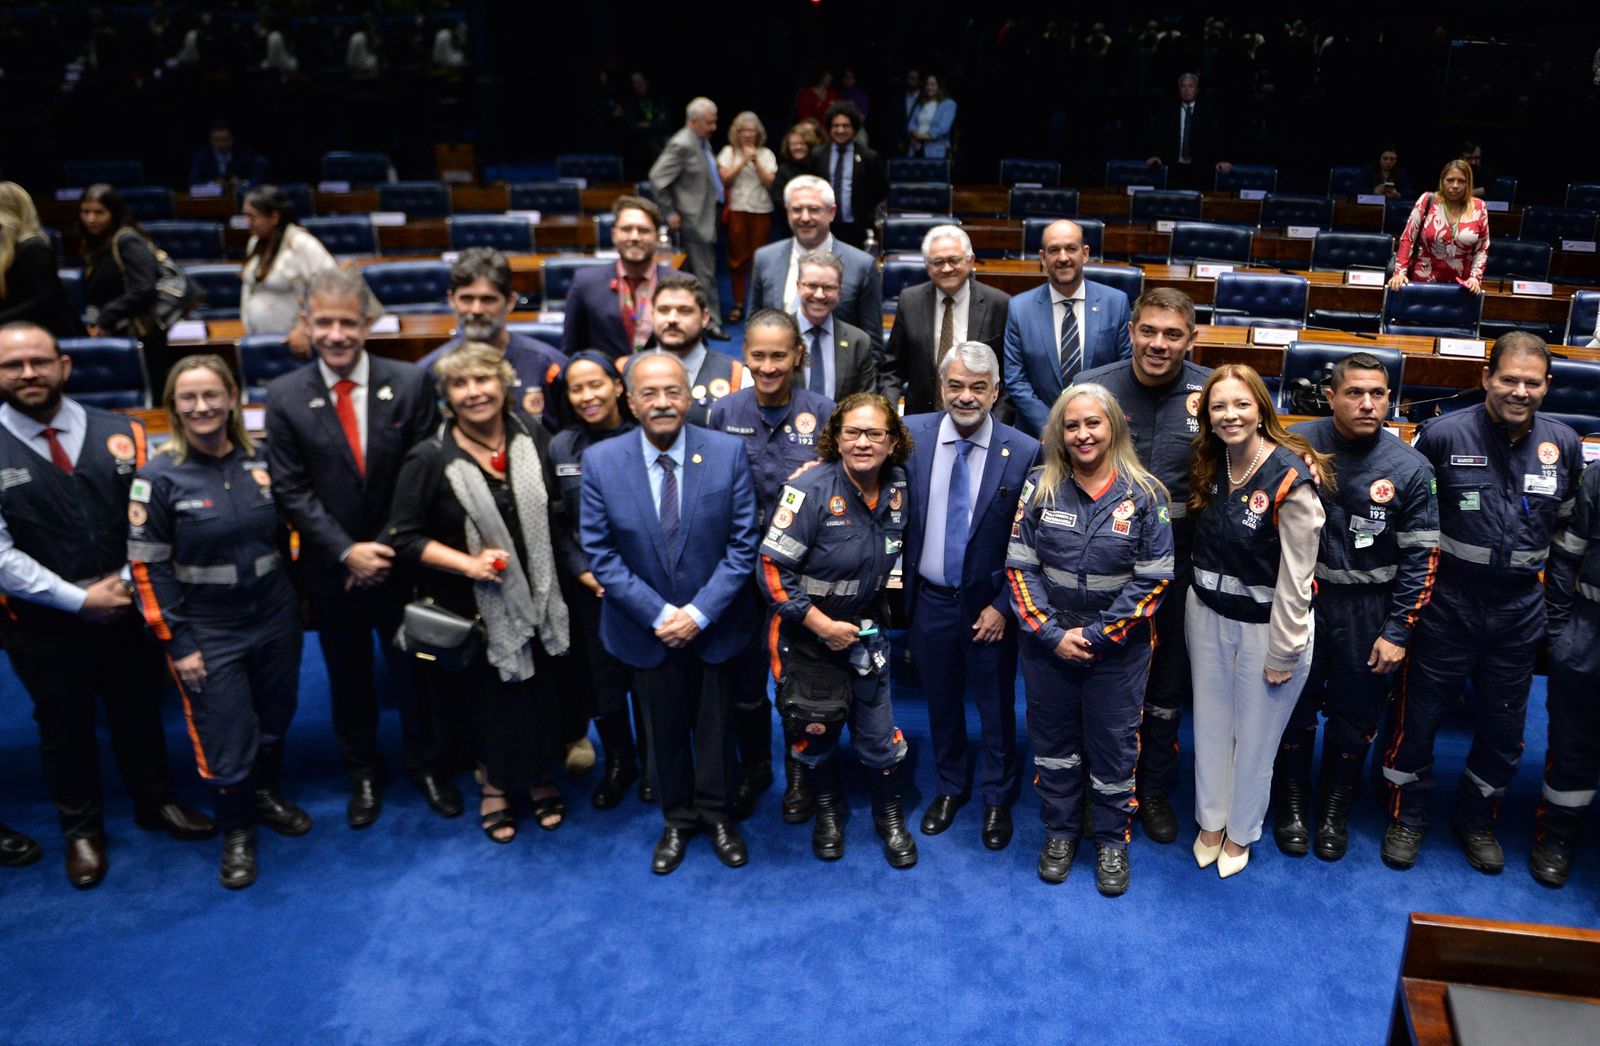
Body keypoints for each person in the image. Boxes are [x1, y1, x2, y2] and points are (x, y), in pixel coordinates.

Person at [0, 322, 213, 888]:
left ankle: (155, 802)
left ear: (64, 366)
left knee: (138, 708)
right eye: (12, 365)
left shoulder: (125, 432)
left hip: (127, 604)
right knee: (63, 726)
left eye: (39, 362)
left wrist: (119, 584)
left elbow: (149, 521)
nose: (27, 374)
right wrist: (77, 600)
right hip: (43, 621)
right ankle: (82, 830)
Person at [1381, 333, 1582, 874]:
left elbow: (1566, 541)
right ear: (1486, 377)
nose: (1519, 391)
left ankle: (1475, 818)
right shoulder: (1442, 435)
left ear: (1548, 385)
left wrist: (1556, 617)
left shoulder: (1563, 444)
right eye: (1509, 379)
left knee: (1503, 728)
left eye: (1532, 382)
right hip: (1448, 604)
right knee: (1417, 717)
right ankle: (1409, 814)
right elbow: (1411, 525)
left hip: (1520, 613)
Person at [265, 268, 457, 828]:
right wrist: (348, 552)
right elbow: (290, 490)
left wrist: (383, 548)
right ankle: (364, 774)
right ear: (306, 323)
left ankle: (427, 766)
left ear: (368, 323)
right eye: (323, 323)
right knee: (347, 680)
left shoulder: (411, 382)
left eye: (347, 322)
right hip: (333, 571)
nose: (336, 334)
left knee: (416, 673)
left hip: (403, 564)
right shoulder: (284, 396)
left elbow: (424, 474)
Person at [129, 355, 309, 889]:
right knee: (225, 730)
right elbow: (147, 566)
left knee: (276, 712)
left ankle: (264, 793)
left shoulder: (262, 460)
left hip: (274, 612)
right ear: (173, 407)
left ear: (232, 398)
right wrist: (178, 641)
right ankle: (236, 829)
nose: (202, 407)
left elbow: (284, 536)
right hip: (207, 625)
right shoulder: (157, 476)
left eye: (212, 395)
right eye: (189, 398)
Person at [579, 351, 760, 874]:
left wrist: (698, 613)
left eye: (672, 392)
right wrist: (659, 615)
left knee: (716, 727)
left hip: (716, 626)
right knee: (661, 730)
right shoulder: (602, 461)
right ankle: (678, 821)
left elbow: (742, 545)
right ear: (630, 401)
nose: (663, 403)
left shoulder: (726, 452)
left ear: (688, 395)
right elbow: (601, 554)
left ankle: (718, 814)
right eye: (650, 394)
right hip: (643, 629)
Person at [385, 344, 574, 844]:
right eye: (460, 385)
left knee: (539, 697)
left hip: (540, 601)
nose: (474, 393)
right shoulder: (429, 457)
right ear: (446, 395)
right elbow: (402, 537)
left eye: (483, 381)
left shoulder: (534, 436)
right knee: (489, 705)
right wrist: (468, 564)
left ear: (504, 384)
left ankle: (538, 778)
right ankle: (494, 788)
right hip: (474, 608)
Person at [1270, 354, 1438, 861]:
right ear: (1331, 396)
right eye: (1354, 393)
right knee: (1292, 708)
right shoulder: (1293, 444)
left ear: (1390, 399)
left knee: (1354, 717)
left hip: (1370, 609)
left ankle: (1334, 808)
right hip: (1303, 601)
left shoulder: (1410, 466)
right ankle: (1294, 804)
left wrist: (1399, 631)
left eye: (1378, 394)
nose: (1368, 403)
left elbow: (1422, 557)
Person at [1007, 382, 1173, 893]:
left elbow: (1154, 578)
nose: (1083, 434)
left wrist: (1099, 636)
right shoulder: (1038, 486)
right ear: (1059, 432)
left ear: (1114, 427)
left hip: (1118, 653)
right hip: (1048, 647)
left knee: (1113, 748)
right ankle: (1059, 832)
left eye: (1092, 423)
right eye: (1072, 425)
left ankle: (1110, 840)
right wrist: (1052, 634)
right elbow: (1019, 568)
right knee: (1053, 745)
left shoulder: (1147, 494)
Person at [758, 392, 918, 867]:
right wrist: (820, 624)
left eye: (875, 433)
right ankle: (828, 812)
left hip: (867, 635)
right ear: (836, 437)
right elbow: (770, 570)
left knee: (877, 735)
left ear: (892, 441)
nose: (864, 442)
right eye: (853, 432)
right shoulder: (807, 490)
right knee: (817, 733)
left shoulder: (898, 487)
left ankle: (890, 817)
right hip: (809, 637)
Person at [1077, 287, 1210, 844]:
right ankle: (1092, 786)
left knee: (1165, 688)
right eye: (1148, 331)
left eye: (1172, 334)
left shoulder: (1210, 394)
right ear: (1130, 330)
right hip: (1103, 564)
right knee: (1098, 677)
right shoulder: (1094, 389)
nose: (1158, 344)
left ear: (1191, 339)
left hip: (1180, 565)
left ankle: (1151, 789)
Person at [1187, 364, 1329, 879]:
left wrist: (1284, 650)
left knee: (1255, 740)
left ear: (1261, 409)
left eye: (1241, 404)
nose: (1230, 415)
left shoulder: (1291, 475)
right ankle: (1209, 820)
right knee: (1211, 725)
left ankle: (1241, 831)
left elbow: (1298, 578)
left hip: (1271, 629)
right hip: (1205, 614)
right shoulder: (1210, 459)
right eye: (1219, 406)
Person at [903, 342, 1038, 850]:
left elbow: (1031, 539)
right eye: (956, 385)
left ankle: (997, 799)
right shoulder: (910, 437)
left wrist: (1004, 605)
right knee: (940, 702)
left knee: (997, 706)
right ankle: (951, 787)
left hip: (991, 608)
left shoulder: (1022, 450)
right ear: (942, 387)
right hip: (931, 600)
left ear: (996, 391)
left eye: (978, 387)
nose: (966, 396)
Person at [708, 310, 834, 821]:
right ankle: (756, 767)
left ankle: (802, 776)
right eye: (757, 355)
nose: (767, 366)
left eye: (778, 355)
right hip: (739, 573)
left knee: (801, 682)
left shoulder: (824, 413)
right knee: (745, 683)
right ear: (744, 356)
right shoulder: (722, 412)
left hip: (800, 575)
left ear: (797, 356)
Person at [548, 352, 650, 810]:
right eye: (576, 389)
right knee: (604, 683)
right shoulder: (560, 447)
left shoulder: (646, 435)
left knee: (647, 678)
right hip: (590, 589)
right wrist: (584, 572)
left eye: (596, 385)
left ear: (617, 386)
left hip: (646, 584)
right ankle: (619, 763)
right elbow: (556, 522)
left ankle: (654, 762)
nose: (587, 396)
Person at [1003, 219, 1134, 438]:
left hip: (1100, 434)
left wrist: (1093, 424)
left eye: (1071, 249)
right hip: (1040, 436)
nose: (1063, 258)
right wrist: (1052, 428)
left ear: (1085, 253)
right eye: (1054, 250)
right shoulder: (1019, 308)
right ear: (1043, 258)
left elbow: (1124, 372)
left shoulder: (1116, 303)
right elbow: (1016, 379)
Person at [1536, 454, 1600, 887]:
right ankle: (1557, 835)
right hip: (1590, 628)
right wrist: (1559, 632)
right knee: (1575, 740)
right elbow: (1565, 556)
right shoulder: (1598, 478)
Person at [417, 248, 568, 432]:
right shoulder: (429, 372)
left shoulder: (547, 365)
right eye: (466, 299)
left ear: (511, 301)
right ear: (451, 300)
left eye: (488, 300)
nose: (476, 310)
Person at [881, 225, 1010, 416]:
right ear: (927, 266)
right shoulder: (910, 300)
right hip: (921, 421)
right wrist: (888, 415)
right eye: (937, 262)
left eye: (954, 260)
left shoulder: (999, 304)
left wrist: (997, 424)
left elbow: (1010, 376)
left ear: (970, 260)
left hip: (983, 421)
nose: (947, 268)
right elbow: (892, 369)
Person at [748, 176, 882, 357]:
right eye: (797, 209)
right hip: (776, 376)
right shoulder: (765, 258)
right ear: (787, 211)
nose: (804, 217)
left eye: (814, 210)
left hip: (840, 379)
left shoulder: (861, 265)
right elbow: (752, 328)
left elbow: (872, 344)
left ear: (832, 212)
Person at [77, 183, 172, 391]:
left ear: (113, 212)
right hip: (118, 331)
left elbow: (144, 288)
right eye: (85, 212)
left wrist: (106, 317)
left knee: (145, 391)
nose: (90, 219)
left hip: (141, 337)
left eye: (98, 212)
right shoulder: (97, 242)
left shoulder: (127, 239)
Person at [649, 97, 728, 338]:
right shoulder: (682, 144)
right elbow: (657, 177)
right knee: (705, 273)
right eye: (709, 123)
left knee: (703, 271)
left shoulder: (702, 141)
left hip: (706, 214)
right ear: (693, 122)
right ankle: (712, 323)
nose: (714, 127)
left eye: (715, 122)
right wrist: (669, 212)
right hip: (694, 219)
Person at [562, 195, 676, 362]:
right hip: (606, 383)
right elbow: (571, 350)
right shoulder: (585, 283)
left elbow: (697, 351)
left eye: (643, 230)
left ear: (657, 237)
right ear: (614, 234)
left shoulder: (680, 284)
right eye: (626, 229)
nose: (635, 237)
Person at [239, 184, 337, 347]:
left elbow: (334, 288)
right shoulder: (254, 243)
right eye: (246, 216)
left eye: (253, 217)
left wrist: (306, 327)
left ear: (274, 217)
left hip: (295, 341)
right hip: (257, 339)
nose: (247, 222)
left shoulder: (302, 244)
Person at [648, 273, 744, 425]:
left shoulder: (736, 375)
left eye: (684, 310)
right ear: (653, 315)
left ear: (705, 317)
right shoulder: (628, 369)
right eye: (664, 310)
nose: (672, 319)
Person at [1388, 160, 1490, 295]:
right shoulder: (1427, 200)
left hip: (1460, 287)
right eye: (1450, 180)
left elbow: (1482, 248)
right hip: (1421, 282)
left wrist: (1475, 278)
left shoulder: (1479, 207)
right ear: (1442, 182)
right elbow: (1408, 238)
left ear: (1468, 184)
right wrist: (1400, 273)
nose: (1455, 185)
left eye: (1461, 181)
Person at [0, 183, 84, 339]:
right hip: (22, 330)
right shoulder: (8, 248)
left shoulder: (34, 247)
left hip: (53, 336)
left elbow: (42, 300)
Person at [791, 250, 878, 400]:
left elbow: (865, 401)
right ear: (798, 286)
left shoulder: (858, 341)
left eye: (828, 287)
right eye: (811, 285)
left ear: (840, 291)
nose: (819, 295)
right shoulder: (775, 335)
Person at [716, 112, 777, 323]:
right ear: (737, 132)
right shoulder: (728, 152)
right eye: (744, 130)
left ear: (758, 133)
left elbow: (771, 183)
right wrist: (743, 160)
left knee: (759, 261)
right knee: (737, 260)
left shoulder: (767, 154)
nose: (748, 134)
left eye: (752, 130)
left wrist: (756, 160)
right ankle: (739, 304)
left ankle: (758, 305)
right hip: (737, 211)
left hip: (762, 211)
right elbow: (724, 179)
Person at [810, 101, 886, 249]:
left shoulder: (869, 156)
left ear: (854, 129)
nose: (840, 130)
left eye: (846, 126)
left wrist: (866, 210)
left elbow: (881, 189)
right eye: (836, 126)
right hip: (824, 225)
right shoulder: (818, 154)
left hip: (857, 226)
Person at [1145, 73, 1232, 189]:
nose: (1187, 90)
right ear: (1179, 90)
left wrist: (1221, 160)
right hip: (1173, 166)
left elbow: (1216, 138)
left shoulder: (1208, 110)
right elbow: (1158, 135)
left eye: (1191, 86)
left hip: (1199, 168)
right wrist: (1154, 155)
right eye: (1183, 86)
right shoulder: (1168, 109)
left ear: (1197, 90)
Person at [186, 120, 262, 189]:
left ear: (232, 140)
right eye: (217, 140)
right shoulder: (202, 156)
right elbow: (193, 181)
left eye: (225, 140)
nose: (221, 144)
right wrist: (213, 184)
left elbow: (258, 179)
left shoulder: (245, 154)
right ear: (211, 141)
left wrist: (243, 183)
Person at [906, 74, 956, 159]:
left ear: (939, 86)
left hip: (936, 151)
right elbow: (911, 124)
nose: (929, 87)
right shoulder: (921, 103)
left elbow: (943, 129)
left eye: (933, 84)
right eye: (927, 84)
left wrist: (920, 136)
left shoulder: (948, 104)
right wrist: (915, 133)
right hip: (916, 149)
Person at [772, 125, 819, 215]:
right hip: (789, 218)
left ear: (810, 145)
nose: (798, 147)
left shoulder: (817, 166)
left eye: (802, 143)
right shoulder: (783, 169)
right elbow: (777, 196)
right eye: (794, 144)